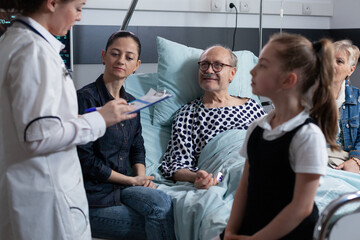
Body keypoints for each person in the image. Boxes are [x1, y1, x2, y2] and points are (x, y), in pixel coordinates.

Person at [0, 1, 137, 239]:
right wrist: (98, 119)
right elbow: (38, 136)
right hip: (47, 198)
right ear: (52, 3)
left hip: (27, 191)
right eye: (78, 7)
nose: (79, 17)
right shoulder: (34, 52)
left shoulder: (14, 42)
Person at [223, 32, 338, 240]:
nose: (252, 71)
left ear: (288, 80)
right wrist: (230, 231)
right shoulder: (258, 128)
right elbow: (244, 186)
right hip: (254, 226)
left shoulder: (307, 136)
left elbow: (301, 208)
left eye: (263, 65)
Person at [77, 31, 176, 240]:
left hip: (122, 187)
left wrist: (141, 177)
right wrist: (131, 181)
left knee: (162, 204)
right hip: (94, 196)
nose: (121, 61)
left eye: (129, 57)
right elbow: (87, 162)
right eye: (115, 54)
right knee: (160, 220)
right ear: (104, 56)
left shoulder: (132, 103)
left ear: (137, 65)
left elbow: (137, 147)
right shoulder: (85, 99)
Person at [160, 45, 266, 189]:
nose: (209, 70)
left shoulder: (252, 106)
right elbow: (176, 166)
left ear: (232, 73)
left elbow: (270, 141)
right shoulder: (188, 114)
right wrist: (196, 177)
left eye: (218, 65)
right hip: (222, 173)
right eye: (204, 64)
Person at [328, 40, 360, 174]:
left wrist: (355, 160)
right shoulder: (305, 96)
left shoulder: (358, 98)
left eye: (339, 61)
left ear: (350, 70)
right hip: (318, 158)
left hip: (349, 158)